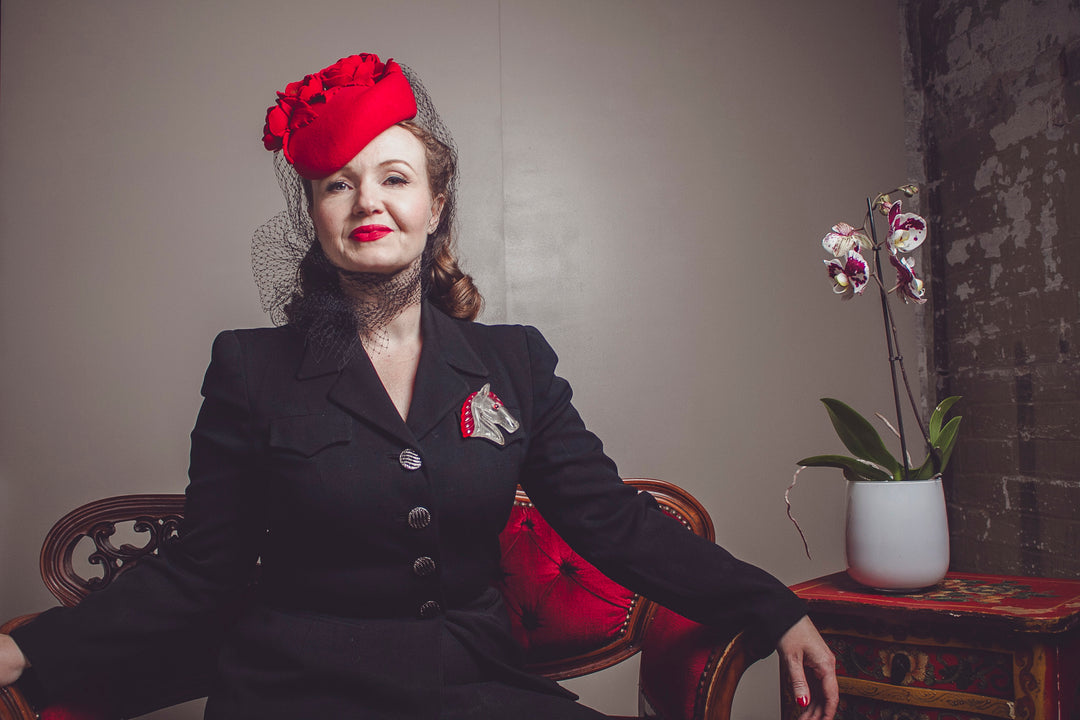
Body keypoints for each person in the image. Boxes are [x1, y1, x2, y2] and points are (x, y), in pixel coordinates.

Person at [0, 53, 837, 719]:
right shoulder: (248, 369)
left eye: (395, 178)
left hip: (473, 689)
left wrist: (770, 605)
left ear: (437, 205)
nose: (369, 200)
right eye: (339, 183)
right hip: (295, 696)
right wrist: (34, 648)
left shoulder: (516, 363)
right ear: (316, 217)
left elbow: (611, 521)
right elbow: (203, 569)